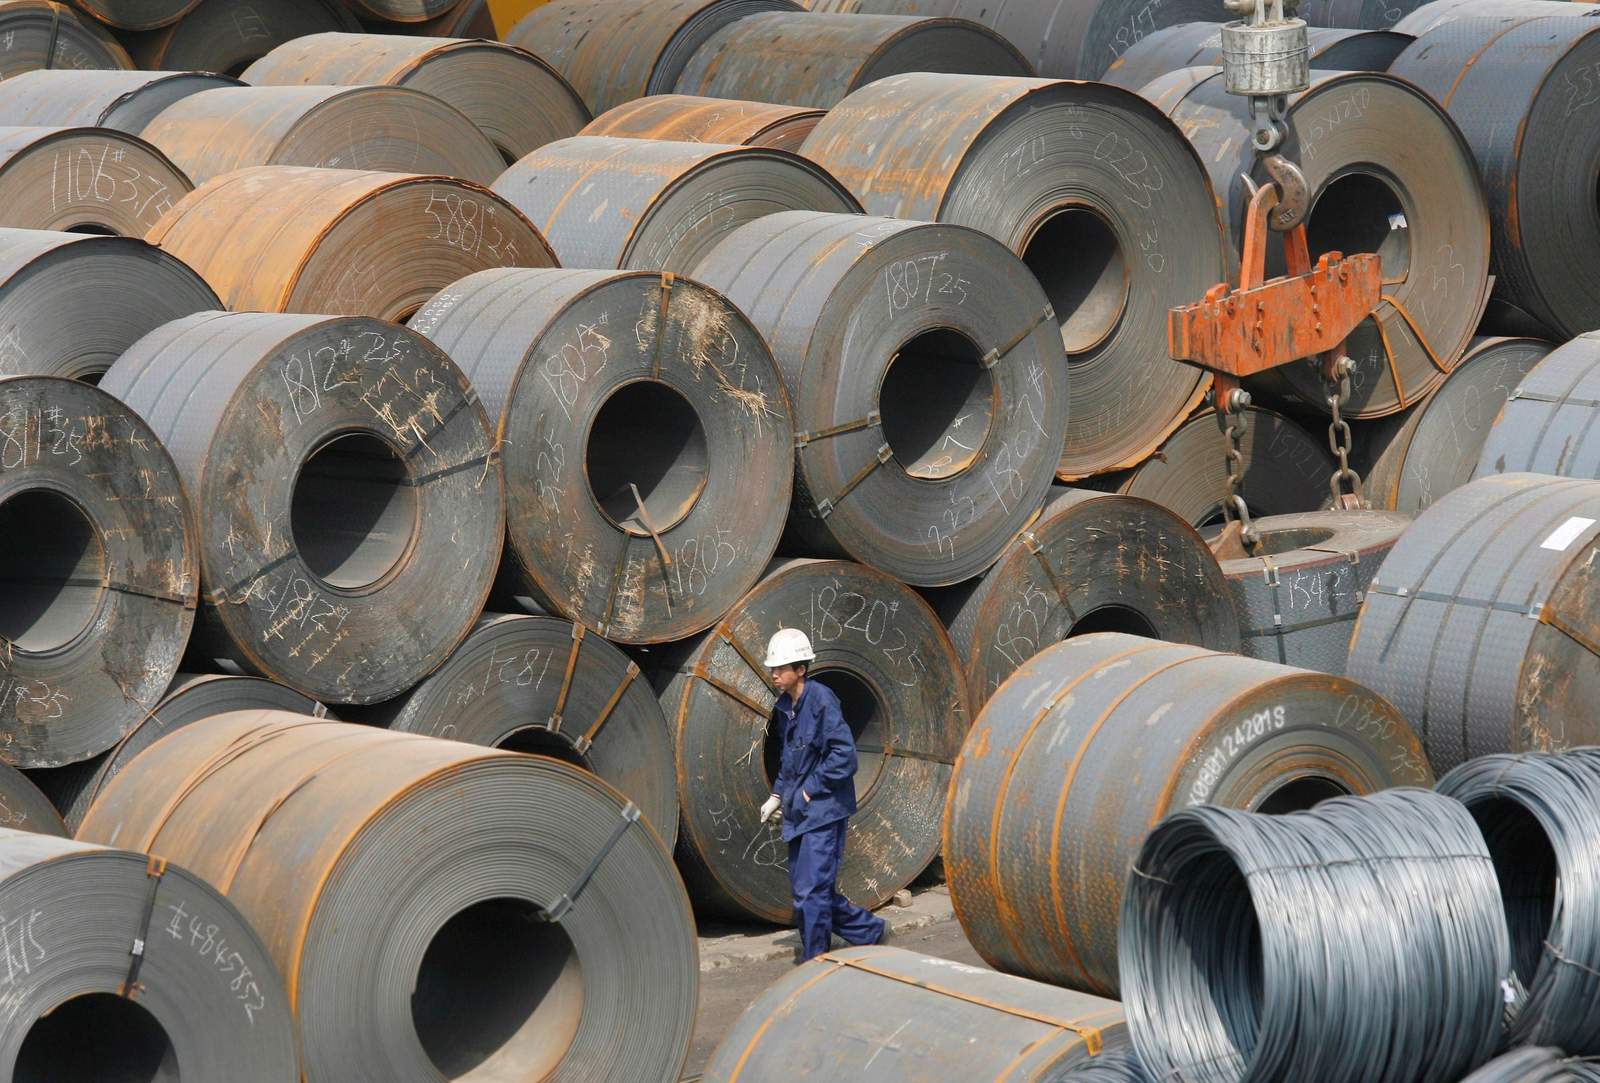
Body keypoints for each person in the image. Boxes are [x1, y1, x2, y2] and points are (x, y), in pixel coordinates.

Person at [758, 628, 887, 962]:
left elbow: (844, 757)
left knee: (811, 891)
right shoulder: (786, 707)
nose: (774, 674)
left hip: (824, 810)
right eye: (773, 668)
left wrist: (808, 791)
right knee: (809, 891)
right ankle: (869, 932)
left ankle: (815, 959)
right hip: (800, 811)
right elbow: (790, 758)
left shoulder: (821, 701)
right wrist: (777, 795)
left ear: (801, 669)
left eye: (781, 668)